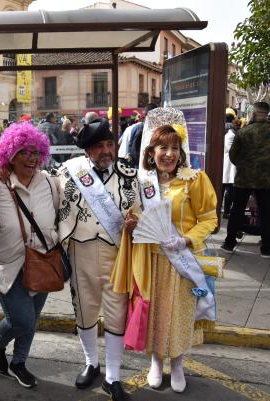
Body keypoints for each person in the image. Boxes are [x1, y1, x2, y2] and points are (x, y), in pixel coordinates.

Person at [113, 114, 218, 393]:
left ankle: (179, 363)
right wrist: (131, 222)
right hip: (152, 262)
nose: (169, 154)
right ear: (151, 152)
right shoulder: (142, 183)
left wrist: (187, 239)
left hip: (183, 262)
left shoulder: (195, 180)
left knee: (181, 314)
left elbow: (209, 219)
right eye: (163, 148)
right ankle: (156, 362)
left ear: (181, 152)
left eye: (174, 148)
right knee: (156, 313)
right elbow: (136, 216)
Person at [57, 119, 140, 401]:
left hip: (118, 254)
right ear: (87, 150)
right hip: (80, 251)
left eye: (109, 144)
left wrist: (136, 225)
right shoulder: (69, 172)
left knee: (117, 314)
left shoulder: (130, 174)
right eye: (99, 146)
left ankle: (113, 376)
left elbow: (143, 213)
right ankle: (92, 362)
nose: (106, 150)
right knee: (84, 310)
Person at [0, 123, 57, 388]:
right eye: (22, 152)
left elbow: (64, 216)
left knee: (32, 318)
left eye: (35, 152)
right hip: (7, 264)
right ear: (9, 155)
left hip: (41, 262)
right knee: (22, 319)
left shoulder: (49, 182)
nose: (30, 158)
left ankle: (19, 362)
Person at [222, 101, 270, 257]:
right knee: (266, 212)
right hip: (266, 180)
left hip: (244, 178)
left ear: (254, 113)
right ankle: (267, 249)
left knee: (237, 210)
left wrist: (245, 166)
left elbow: (233, 155)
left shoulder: (244, 132)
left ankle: (229, 244)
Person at [127, 103, 158, 167]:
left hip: (144, 163)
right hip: (142, 163)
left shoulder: (137, 127)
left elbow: (130, 145)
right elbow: (132, 147)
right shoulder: (140, 128)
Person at [222, 115, 240, 218]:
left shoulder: (233, 135)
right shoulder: (230, 136)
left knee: (228, 190)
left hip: (231, 166)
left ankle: (226, 210)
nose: (238, 127)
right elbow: (232, 150)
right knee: (228, 190)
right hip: (228, 166)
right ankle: (226, 211)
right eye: (237, 125)